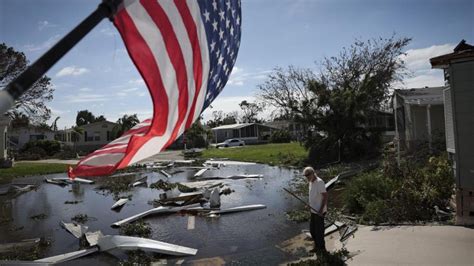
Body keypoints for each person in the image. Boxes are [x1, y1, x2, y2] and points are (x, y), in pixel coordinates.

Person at [304, 166, 328, 254]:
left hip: (319, 212)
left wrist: (321, 210)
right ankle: (317, 247)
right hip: (313, 211)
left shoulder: (320, 182)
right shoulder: (310, 182)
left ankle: (322, 250)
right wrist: (309, 204)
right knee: (312, 231)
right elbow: (312, 196)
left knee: (319, 232)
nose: (306, 177)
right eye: (305, 175)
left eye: (308, 175)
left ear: (313, 173)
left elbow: (325, 196)